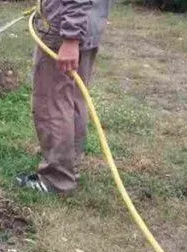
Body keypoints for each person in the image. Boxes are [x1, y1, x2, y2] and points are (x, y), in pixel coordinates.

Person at [17, 0, 113, 193]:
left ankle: (56, 178)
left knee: (52, 104)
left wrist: (70, 38)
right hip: (87, 26)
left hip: (65, 31)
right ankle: (68, 164)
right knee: (72, 101)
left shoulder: (69, 33)